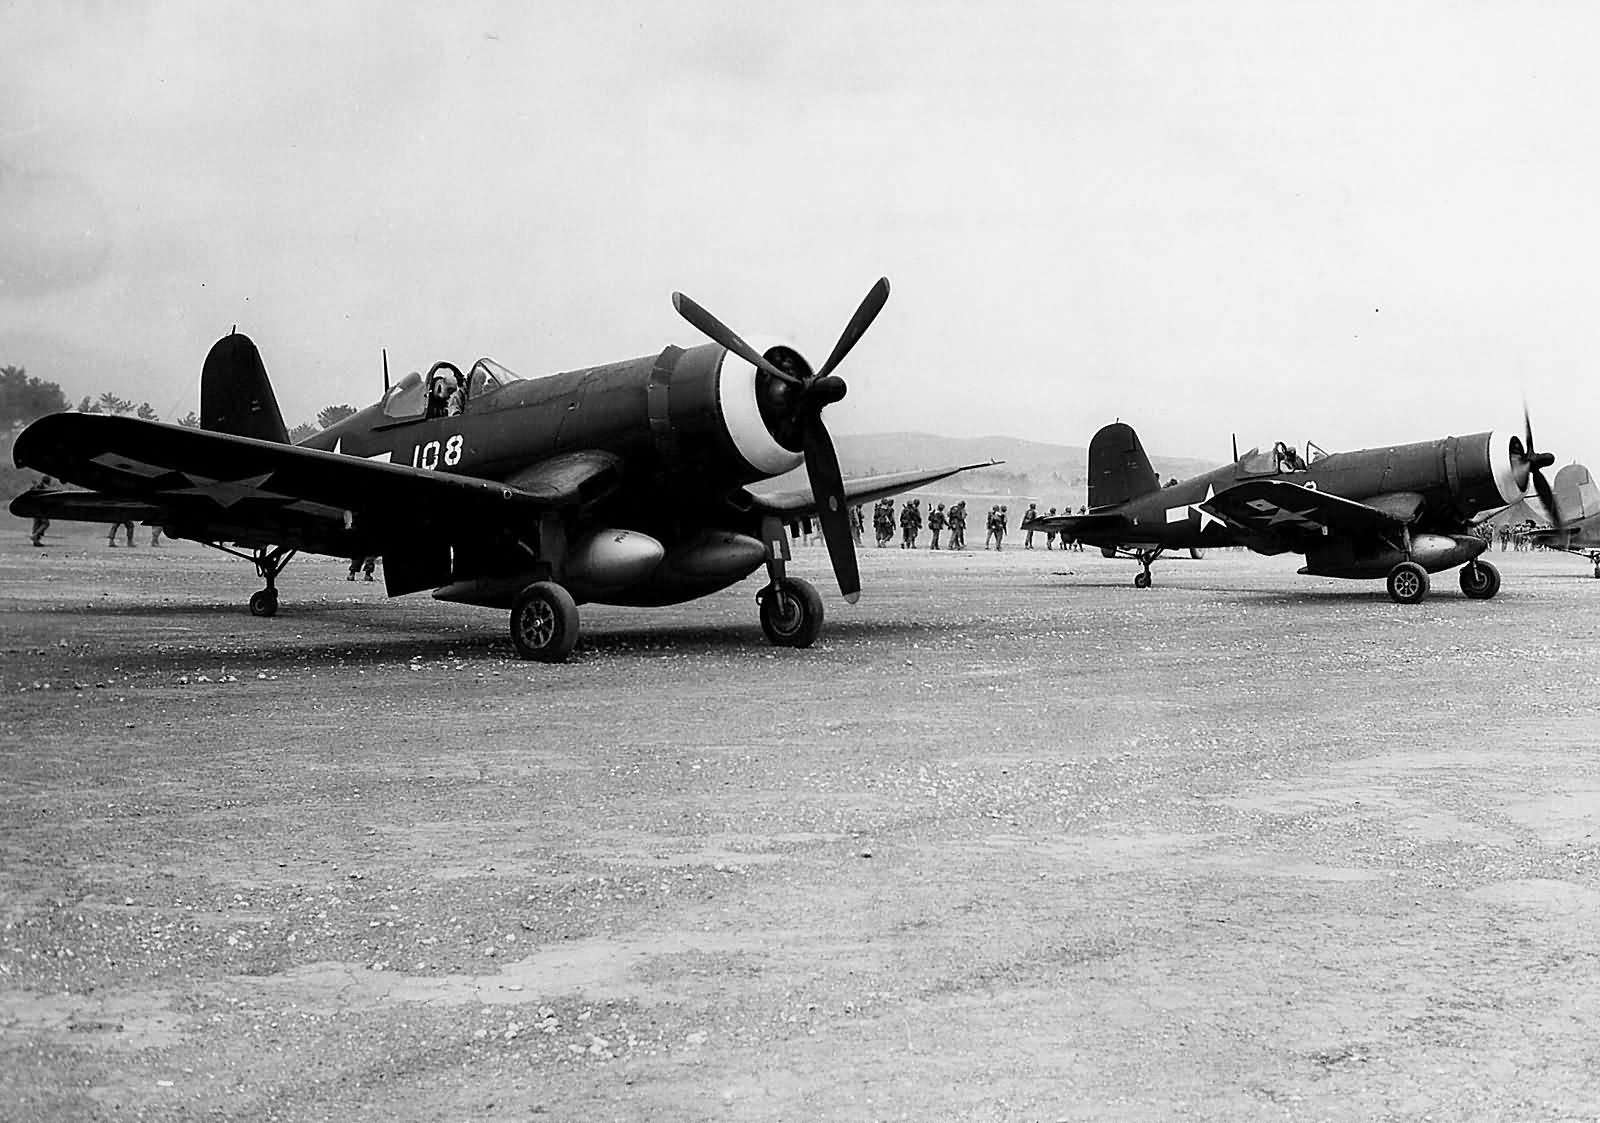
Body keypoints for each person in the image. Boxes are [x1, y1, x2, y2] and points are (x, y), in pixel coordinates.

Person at [27, 476, 53, 547]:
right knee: (45, 523)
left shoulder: (38, 486)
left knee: (36, 524)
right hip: (39, 509)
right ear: (46, 482)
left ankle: (36, 542)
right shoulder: (39, 487)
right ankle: (35, 536)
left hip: (35, 508)